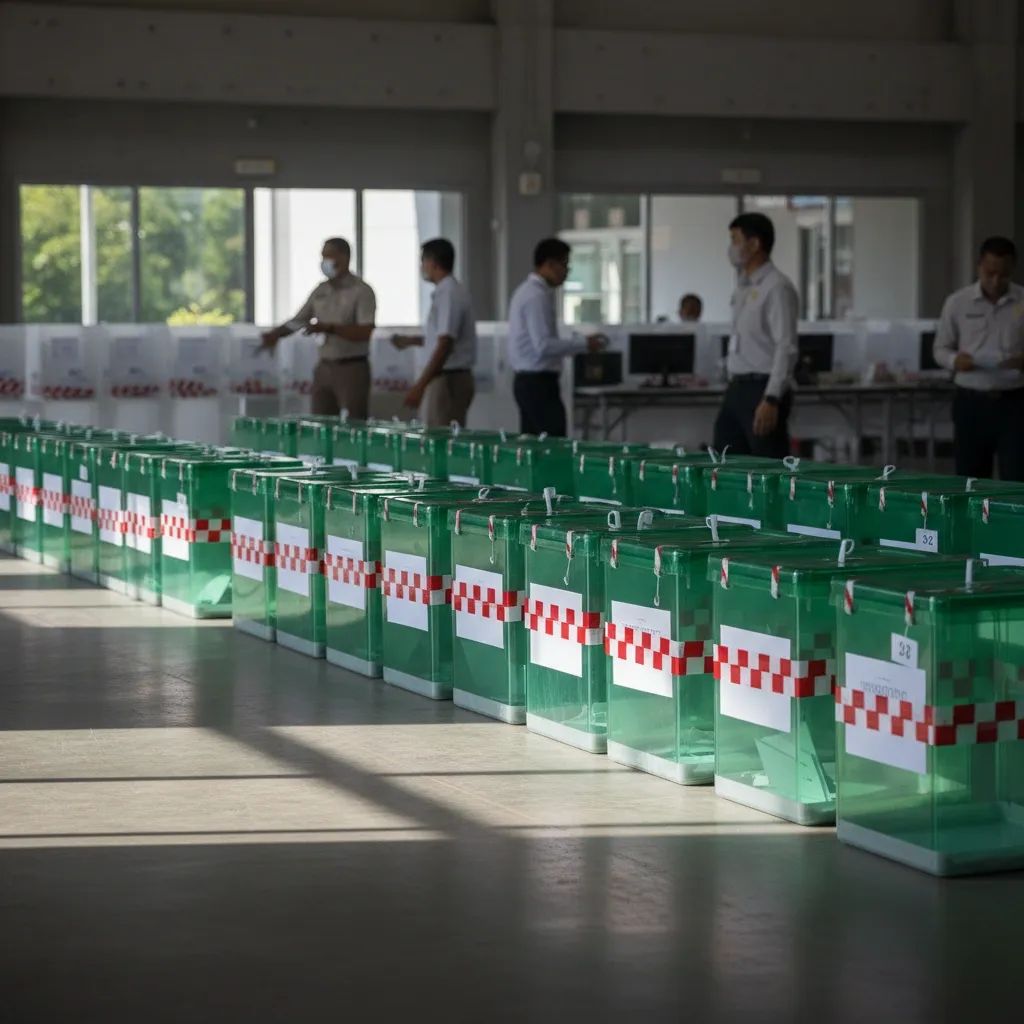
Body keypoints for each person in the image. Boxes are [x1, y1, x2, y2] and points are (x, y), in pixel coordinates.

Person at [932, 236, 1024, 480]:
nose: (995, 281)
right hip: (971, 402)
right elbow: (940, 349)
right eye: (990, 272)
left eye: (1003, 275)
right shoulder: (957, 303)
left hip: (1014, 402)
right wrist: (955, 361)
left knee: (1016, 477)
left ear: (1012, 269)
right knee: (971, 478)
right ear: (979, 266)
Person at [713, 212, 798, 458]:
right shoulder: (744, 286)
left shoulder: (776, 287)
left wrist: (772, 398)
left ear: (754, 244)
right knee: (724, 460)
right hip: (737, 386)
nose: (731, 248)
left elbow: (786, 346)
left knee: (766, 466)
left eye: (735, 240)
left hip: (762, 389)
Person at [260, 237, 376, 418]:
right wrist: (275, 334)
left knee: (354, 423)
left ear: (344, 257)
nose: (324, 262)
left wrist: (329, 328)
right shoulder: (321, 290)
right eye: (323, 257)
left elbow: (365, 332)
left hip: (352, 367)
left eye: (329, 256)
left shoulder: (361, 291)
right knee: (321, 421)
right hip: (324, 366)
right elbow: (299, 320)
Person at [508, 238, 604, 436]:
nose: (567, 271)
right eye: (565, 264)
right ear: (549, 264)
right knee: (553, 447)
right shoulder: (536, 296)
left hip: (530, 382)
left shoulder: (528, 292)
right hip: (538, 384)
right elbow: (543, 346)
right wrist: (584, 344)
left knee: (535, 448)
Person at [391, 238, 477, 427]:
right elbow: (441, 338)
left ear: (433, 262)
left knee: (440, 440)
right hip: (445, 376)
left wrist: (420, 386)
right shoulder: (446, 292)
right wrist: (412, 341)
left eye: (423, 261)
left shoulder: (449, 293)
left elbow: (445, 344)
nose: (422, 266)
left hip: (447, 379)